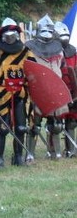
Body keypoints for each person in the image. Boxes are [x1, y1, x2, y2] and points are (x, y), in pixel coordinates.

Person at [0, 18, 36, 167]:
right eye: (7, 36)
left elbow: (33, 73)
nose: (10, 38)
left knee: (21, 127)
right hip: (1, 92)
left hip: (20, 92)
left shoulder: (26, 51)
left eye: (12, 35)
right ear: (2, 36)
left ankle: (18, 157)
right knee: (2, 128)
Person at [24, 16, 66, 160]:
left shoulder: (58, 48)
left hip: (55, 89)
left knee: (55, 124)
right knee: (34, 124)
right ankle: (30, 153)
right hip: (37, 90)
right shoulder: (29, 48)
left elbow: (62, 67)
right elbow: (27, 70)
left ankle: (55, 152)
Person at [55, 21, 77, 157]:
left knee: (72, 121)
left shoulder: (73, 52)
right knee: (55, 122)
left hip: (72, 89)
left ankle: (71, 150)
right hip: (57, 90)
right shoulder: (51, 52)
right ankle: (53, 151)